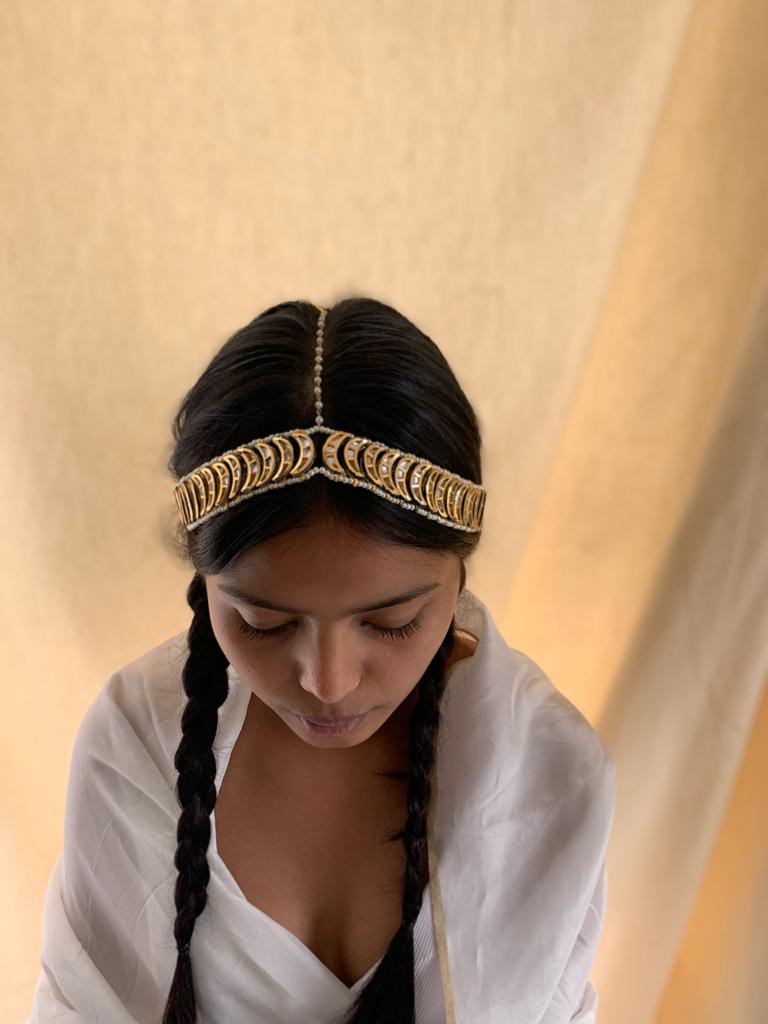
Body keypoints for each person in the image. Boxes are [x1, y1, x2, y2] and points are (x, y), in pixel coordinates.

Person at [27, 298, 616, 1023]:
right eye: (264, 623)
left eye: (392, 623)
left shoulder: (552, 777)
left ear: (458, 576)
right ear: (205, 586)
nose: (329, 683)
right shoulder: (133, 748)